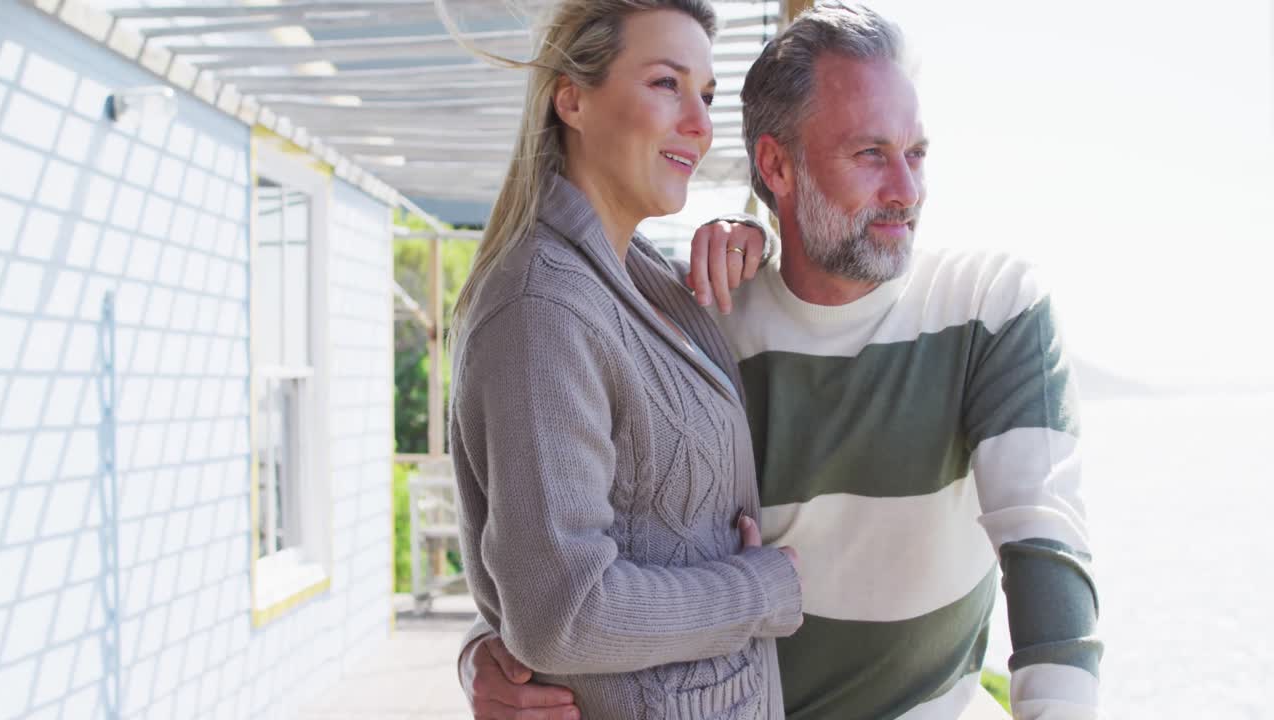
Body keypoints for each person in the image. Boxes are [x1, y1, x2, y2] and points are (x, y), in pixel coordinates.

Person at [460, 4, 1103, 720]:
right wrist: (493, 650)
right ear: (775, 165)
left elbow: (1044, 542)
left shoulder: (986, 305)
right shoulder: (678, 319)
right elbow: (559, 580)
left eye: (916, 153)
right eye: (869, 154)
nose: (907, 190)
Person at [443, 1, 806, 719]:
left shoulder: (638, 277)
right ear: (572, 99)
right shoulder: (543, 308)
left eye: (704, 95)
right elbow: (564, 611)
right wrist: (764, 589)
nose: (700, 127)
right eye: (666, 84)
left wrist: (757, 239)